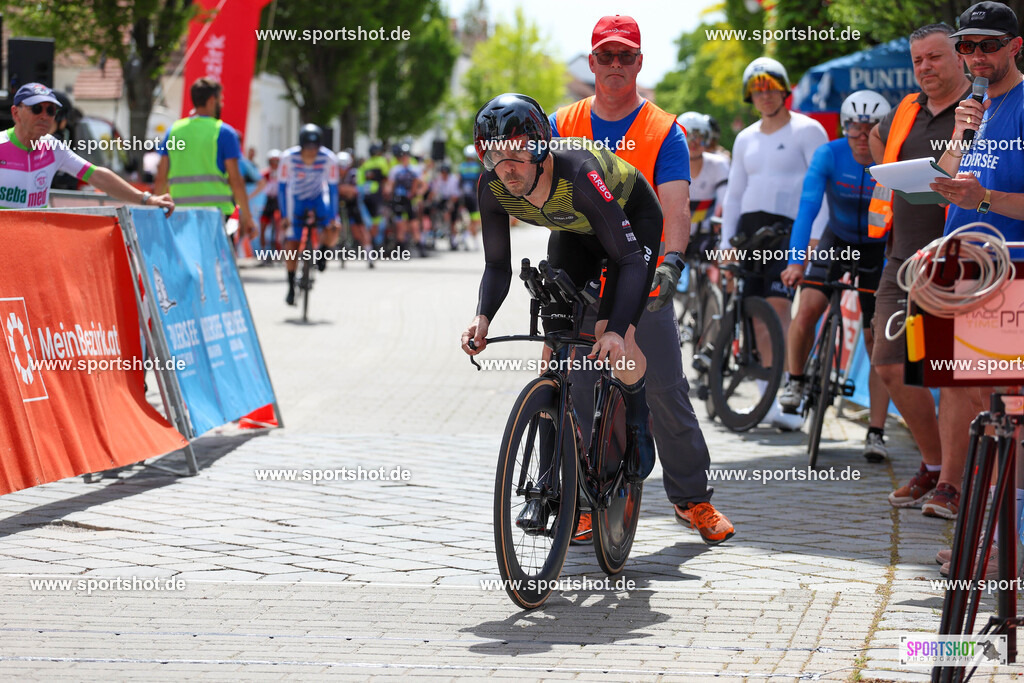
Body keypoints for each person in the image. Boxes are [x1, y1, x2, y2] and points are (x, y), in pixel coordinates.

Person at [551, 15, 734, 545]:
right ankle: (582, 501)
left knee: (664, 388)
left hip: (642, 274)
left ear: (638, 62)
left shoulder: (663, 129)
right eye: (605, 56)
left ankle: (692, 498)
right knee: (575, 388)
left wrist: (671, 262)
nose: (615, 64)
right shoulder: (562, 123)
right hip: (581, 273)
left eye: (625, 55)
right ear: (592, 62)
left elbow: (675, 206)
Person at [461, 93, 660, 517]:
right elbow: (496, 265)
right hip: (575, 231)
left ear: (540, 149)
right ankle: (545, 486)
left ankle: (638, 414)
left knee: (613, 337)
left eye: (518, 152)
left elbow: (628, 259)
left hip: (631, 225)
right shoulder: (492, 186)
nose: (507, 167)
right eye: (495, 154)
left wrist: (614, 330)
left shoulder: (577, 174)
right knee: (553, 351)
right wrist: (482, 317)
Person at [866, 23, 972, 517]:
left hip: (959, 258)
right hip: (902, 257)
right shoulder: (906, 109)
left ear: (960, 57)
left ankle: (952, 482)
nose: (925, 67)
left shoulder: (980, 109)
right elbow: (876, 140)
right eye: (917, 60)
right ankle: (932, 464)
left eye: (934, 57)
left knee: (949, 374)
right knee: (889, 364)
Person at [928, 2, 1024, 530]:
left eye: (989, 45)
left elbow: (982, 194)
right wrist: (959, 135)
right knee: (968, 395)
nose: (977, 56)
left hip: (1009, 269)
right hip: (960, 264)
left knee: (1006, 408)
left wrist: (984, 198)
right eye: (968, 46)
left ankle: (1006, 539)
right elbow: (945, 180)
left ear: (1016, 46)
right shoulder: (973, 107)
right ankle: (983, 533)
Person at [778, 90, 893, 461]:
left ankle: (876, 432)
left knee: (877, 338)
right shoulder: (829, 154)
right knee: (808, 307)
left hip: (877, 248)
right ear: (844, 127)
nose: (862, 136)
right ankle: (795, 381)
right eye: (854, 128)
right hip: (837, 239)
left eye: (870, 128)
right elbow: (807, 209)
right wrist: (796, 261)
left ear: (883, 130)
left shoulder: (893, 157)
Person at [720, 56, 830, 431]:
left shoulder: (807, 130)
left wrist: (815, 236)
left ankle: (790, 394)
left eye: (770, 88)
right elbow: (734, 194)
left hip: (790, 229)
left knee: (779, 308)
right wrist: (726, 242)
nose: (764, 95)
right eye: (757, 90)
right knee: (756, 316)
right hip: (751, 231)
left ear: (783, 91)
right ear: (750, 96)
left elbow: (823, 187)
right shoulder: (745, 137)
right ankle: (768, 395)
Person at [0, 83, 173, 213]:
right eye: (36, 109)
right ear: (16, 113)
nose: (44, 116)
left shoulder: (53, 148)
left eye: (51, 110)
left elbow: (97, 176)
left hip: (33, 241)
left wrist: (147, 199)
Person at [154, 78, 254, 235]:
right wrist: (247, 218)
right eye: (220, 100)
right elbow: (236, 181)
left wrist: (156, 213)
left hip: (180, 215)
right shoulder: (224, 132)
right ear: (212, 100)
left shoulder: (173, 131)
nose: (221, 104)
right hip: (216, 217)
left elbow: (161, 177)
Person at [278, 124, 341, 305]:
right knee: (292, 242)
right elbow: (282, 187)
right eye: (308, 148)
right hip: (296, 199)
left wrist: (333, 217)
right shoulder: (288, 158)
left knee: (333, 228)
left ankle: (323, 252)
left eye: (315, 148)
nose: (312, 152)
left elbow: (333, 189)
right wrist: (284, 216)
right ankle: (291, 285)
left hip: (318, 197)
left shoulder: (328, 158)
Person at [678, 111, 729, 261]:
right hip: (674, 232)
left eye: (699, 136)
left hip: (708, 233)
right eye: (688, 136)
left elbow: (726, 200)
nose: (693, 142)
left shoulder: (719, 163)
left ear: (707, 138)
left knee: (722, 262)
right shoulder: (667, 163)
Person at [384, 143, 427, 257]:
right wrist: (387, 192)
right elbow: (390, 184)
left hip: (410, 200)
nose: (404, 157)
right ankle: (401, 248)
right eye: (402, 155)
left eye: (406, 155)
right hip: (398, 199)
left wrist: (419, 193)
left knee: (414, 224)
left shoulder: (415, 169)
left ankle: (420, 247)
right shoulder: (395, 170)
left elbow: (423, 184)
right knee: (400, 225)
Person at [457, 144, 483, 249]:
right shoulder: (477, 167)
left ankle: (466, 237)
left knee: (466, 220)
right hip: (473, 197)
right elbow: (479, 182)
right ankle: (470, 239)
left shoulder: (462, 166)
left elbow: (459, 182)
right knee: (474, 220)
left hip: (464, 197)